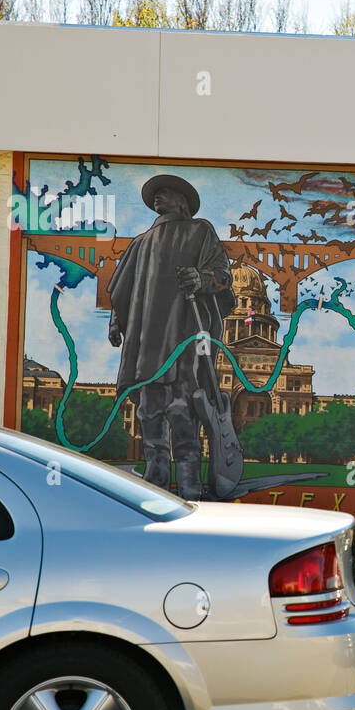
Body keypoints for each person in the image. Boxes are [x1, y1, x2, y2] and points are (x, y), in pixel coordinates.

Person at [107, 174, 236, 499]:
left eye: (165, 193)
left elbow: (223, 277)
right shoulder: (141, 242)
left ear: (182, 201)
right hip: (146, 346)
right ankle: (156, 483)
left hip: (183, 341)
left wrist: (201, 278)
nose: (157, 198)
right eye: (156, 195)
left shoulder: (200, 231)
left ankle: (190, 485)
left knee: (183, 413)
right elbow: (121, 290)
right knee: (150, 414)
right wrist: (116, 320)